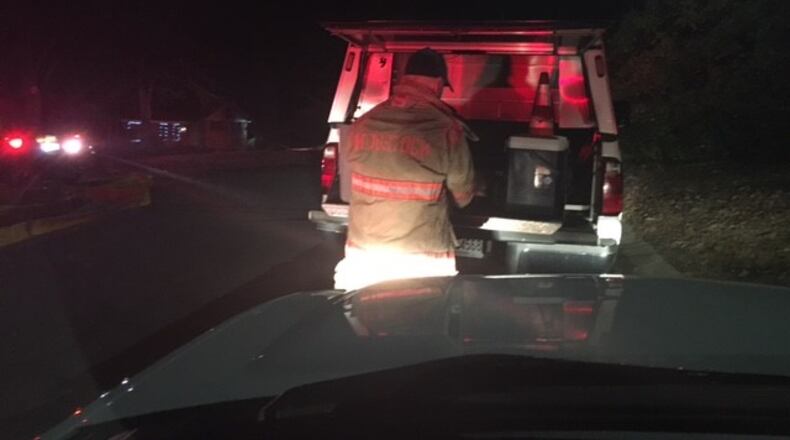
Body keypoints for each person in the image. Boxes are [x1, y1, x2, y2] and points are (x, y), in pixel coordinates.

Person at [334, 48, 478, 291]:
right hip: (420, 262)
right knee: (420, 316)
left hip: (365, 257)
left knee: (366, 314)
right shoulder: (446, 129)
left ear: (406, 79)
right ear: (438, 83)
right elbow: (463, 197)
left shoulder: (363, 123)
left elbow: (351, 185)